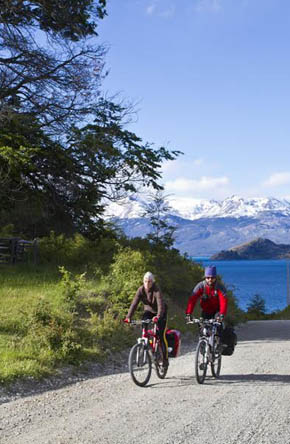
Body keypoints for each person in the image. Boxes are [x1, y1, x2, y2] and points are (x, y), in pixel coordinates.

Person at [124, 271, 169, 369]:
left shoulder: (156, 290)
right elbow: (134, 303)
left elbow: (160, 304)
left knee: (161, 336)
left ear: (152, 282)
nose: (147, 284)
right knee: (144, 324)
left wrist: (158, 316)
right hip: (149, 311)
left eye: (149, 281)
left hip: (161, 313)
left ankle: (164, 359)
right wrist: (128, 317)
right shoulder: (140, 290)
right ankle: (146, 344)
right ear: (143, 281)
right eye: (145, 281)